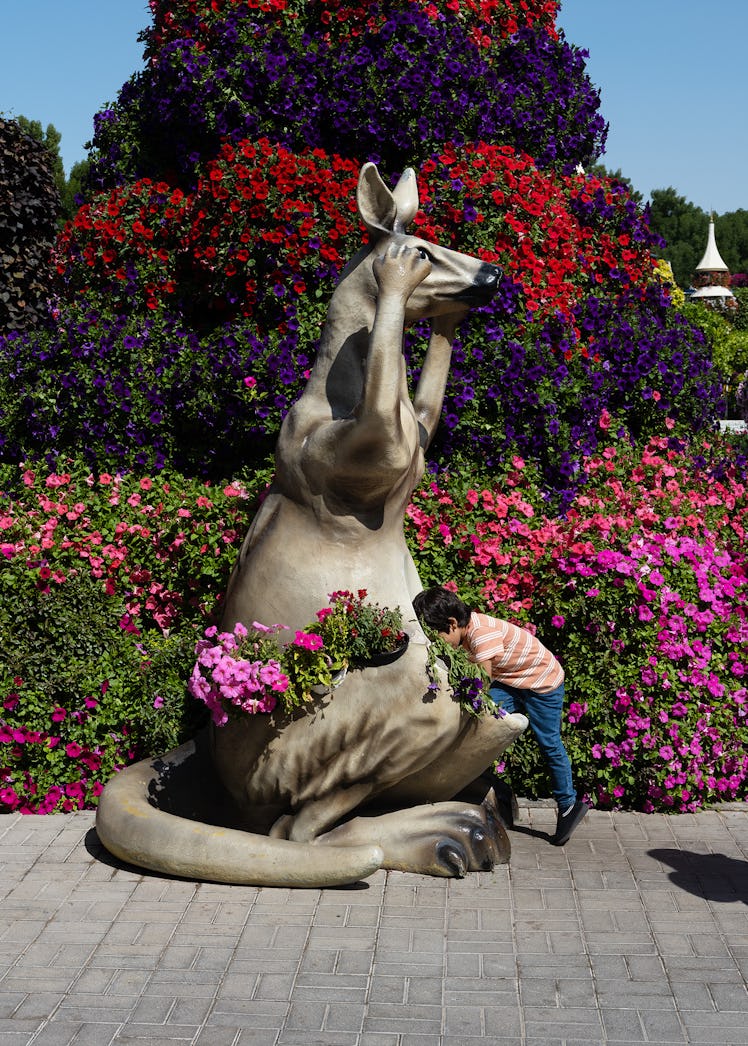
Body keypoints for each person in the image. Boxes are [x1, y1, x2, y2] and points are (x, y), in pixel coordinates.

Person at [412, 586, 588, 846]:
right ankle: (497, 792)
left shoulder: (482, 635)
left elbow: (481, 684)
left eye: (436, 635)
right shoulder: (466, 630)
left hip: (543, 683)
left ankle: (569, 805)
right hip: (512, 680)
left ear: (451, 624)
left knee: (549, 743)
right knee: (481, 725)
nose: (435, 642)